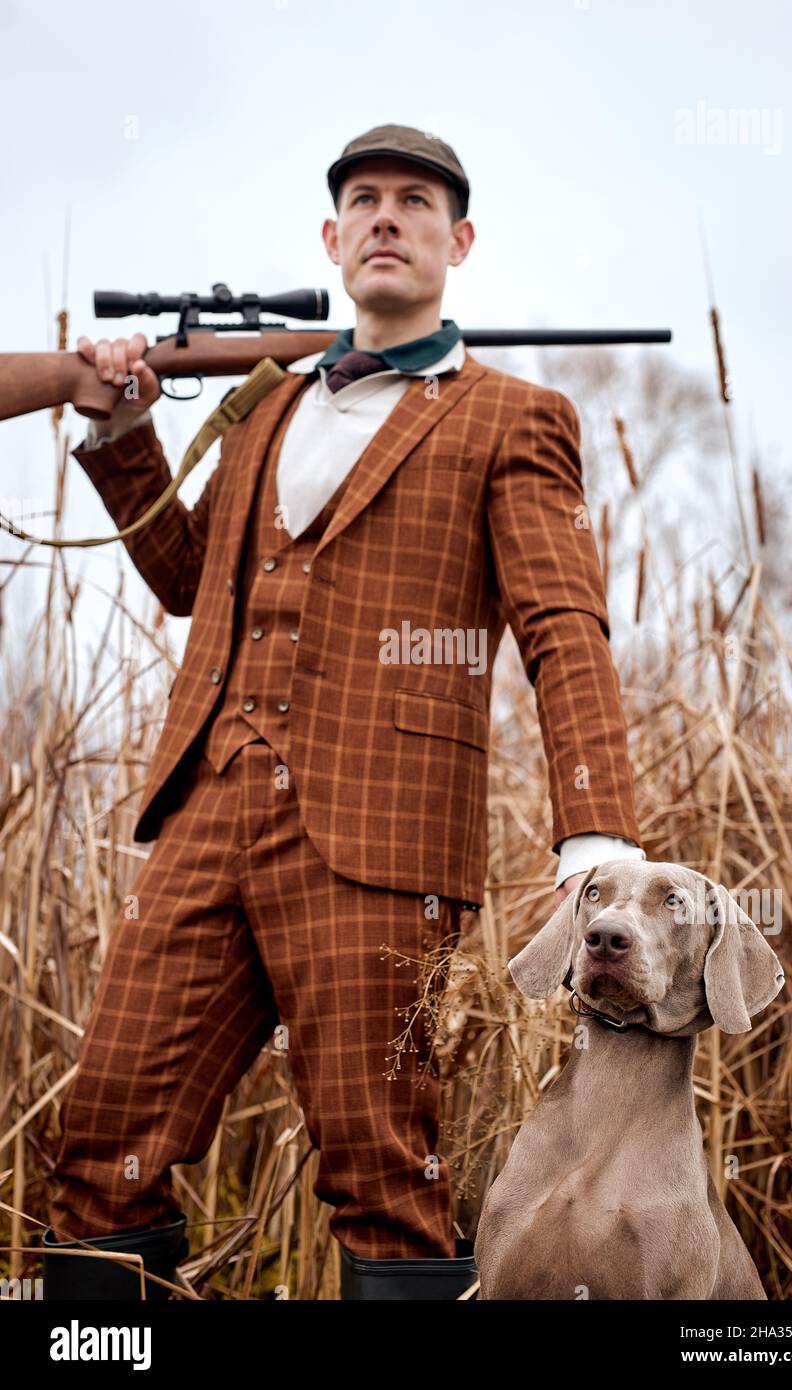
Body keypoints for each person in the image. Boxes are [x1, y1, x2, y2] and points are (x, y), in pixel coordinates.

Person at [42, 124, 645, 1301]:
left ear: (455, 240)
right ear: (330, 237)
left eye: (414, 202)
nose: (384, 217)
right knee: (103, 1138)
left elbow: (562, 627)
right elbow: (186, 578)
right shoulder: (265, 412)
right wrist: (122, 431)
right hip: (205, 819)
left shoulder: (508, 416)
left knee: (383, 1175)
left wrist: (597, 834)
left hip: (382, 840)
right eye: (362, 200)